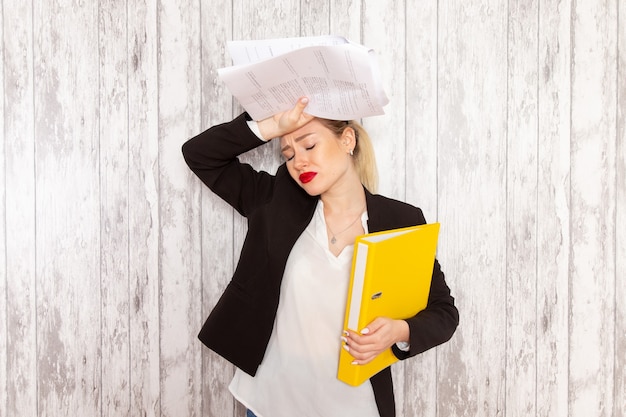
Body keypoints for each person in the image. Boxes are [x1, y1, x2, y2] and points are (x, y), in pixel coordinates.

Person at [182, 97, 459, 417]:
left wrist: (399, 331)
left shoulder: (401, 220)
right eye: (288, 154)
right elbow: (200, 155)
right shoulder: (273, 203)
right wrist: (271, 126)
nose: (298, 161)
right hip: (270, 403)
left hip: (354, 407)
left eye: (309, 145)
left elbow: (444, 313)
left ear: (347, 140)